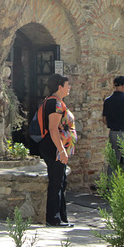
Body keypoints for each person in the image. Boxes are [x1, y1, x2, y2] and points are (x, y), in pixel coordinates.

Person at [38, 73, 76, 227]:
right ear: (60, 87)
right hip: (54, 147)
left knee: (61, 181)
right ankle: (53, 219)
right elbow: (53, 129)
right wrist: (61, 150)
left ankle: (61, 217)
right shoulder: (55, 104)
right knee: (56, 182)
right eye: (67, 85)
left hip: (56, 148)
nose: (69, 87)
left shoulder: (56, 102)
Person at [102, 76, 124, 175]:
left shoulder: (108, 101)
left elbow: (104, 119)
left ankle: (110, 186)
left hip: (113, 133)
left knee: (113, 162)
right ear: (123, 86)